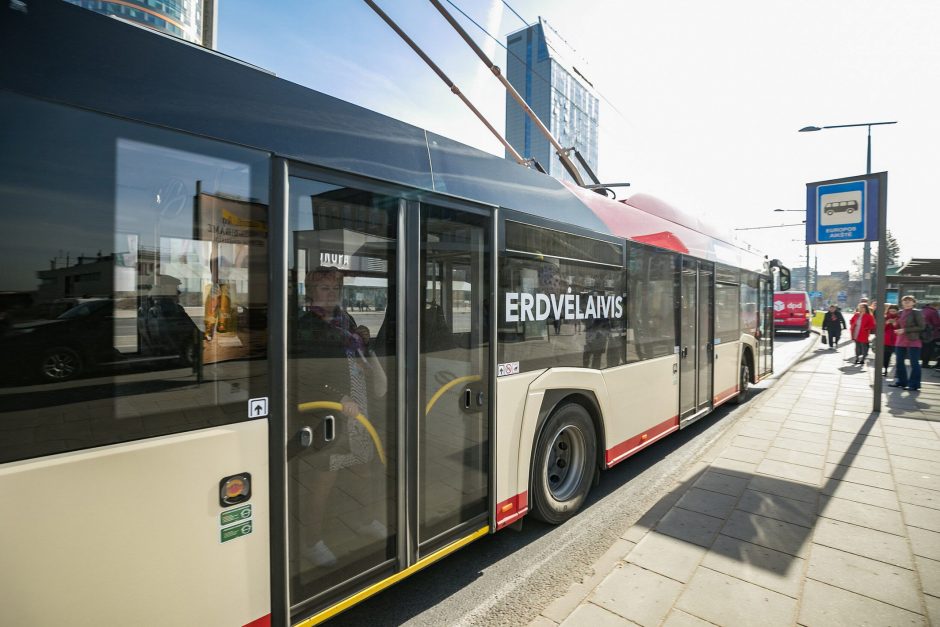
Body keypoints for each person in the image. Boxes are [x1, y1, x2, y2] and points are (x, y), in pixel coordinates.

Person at [296, 266, 387, 567]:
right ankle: (311, 541)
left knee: (363, 465)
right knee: (324, 478)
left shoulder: (344, 320)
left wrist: (362, 339)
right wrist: (337, 396)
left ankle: (364, 520)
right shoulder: (306, 326)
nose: (332, 293)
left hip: (357, 406)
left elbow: (352, 358)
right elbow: (302, 376)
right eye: (324, 288)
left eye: (335, 288)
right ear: (310, 293)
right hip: (330, 411)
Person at [890, 295, 926, 392]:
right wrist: (895, 325)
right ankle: (902, 382)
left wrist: (904, 330)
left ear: (914, 303)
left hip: (913, 341)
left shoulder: (917, 312)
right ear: (902, 302)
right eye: (905, 301)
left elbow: (922, 327)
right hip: (900, 341)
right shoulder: (901, 312)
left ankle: (914, 384)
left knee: (914, 363)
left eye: (909, 301)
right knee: (899, 362)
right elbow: (899, 325)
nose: (906, 302)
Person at [921, 301, 940, 369]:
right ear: (936, 306)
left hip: (923, 333)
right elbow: (936, 323)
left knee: (925, 348)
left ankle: (924, 363)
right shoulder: (933, 312)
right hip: (931, 333)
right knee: (929, 349)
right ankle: (926, 364)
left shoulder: (923, 310)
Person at [883, 304, 900, 377]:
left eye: (894, 311)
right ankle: (885, 370)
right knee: (886, 356)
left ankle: (897, 372)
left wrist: (894, 324)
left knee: (898, 357)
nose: (892, 312)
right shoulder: (885, 317)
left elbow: (900, 328)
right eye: (891, 311)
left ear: (897, 311)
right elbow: (880, 328)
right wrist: (886, 323)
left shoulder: (899, 318)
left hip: (897, 340)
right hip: (886, 340)